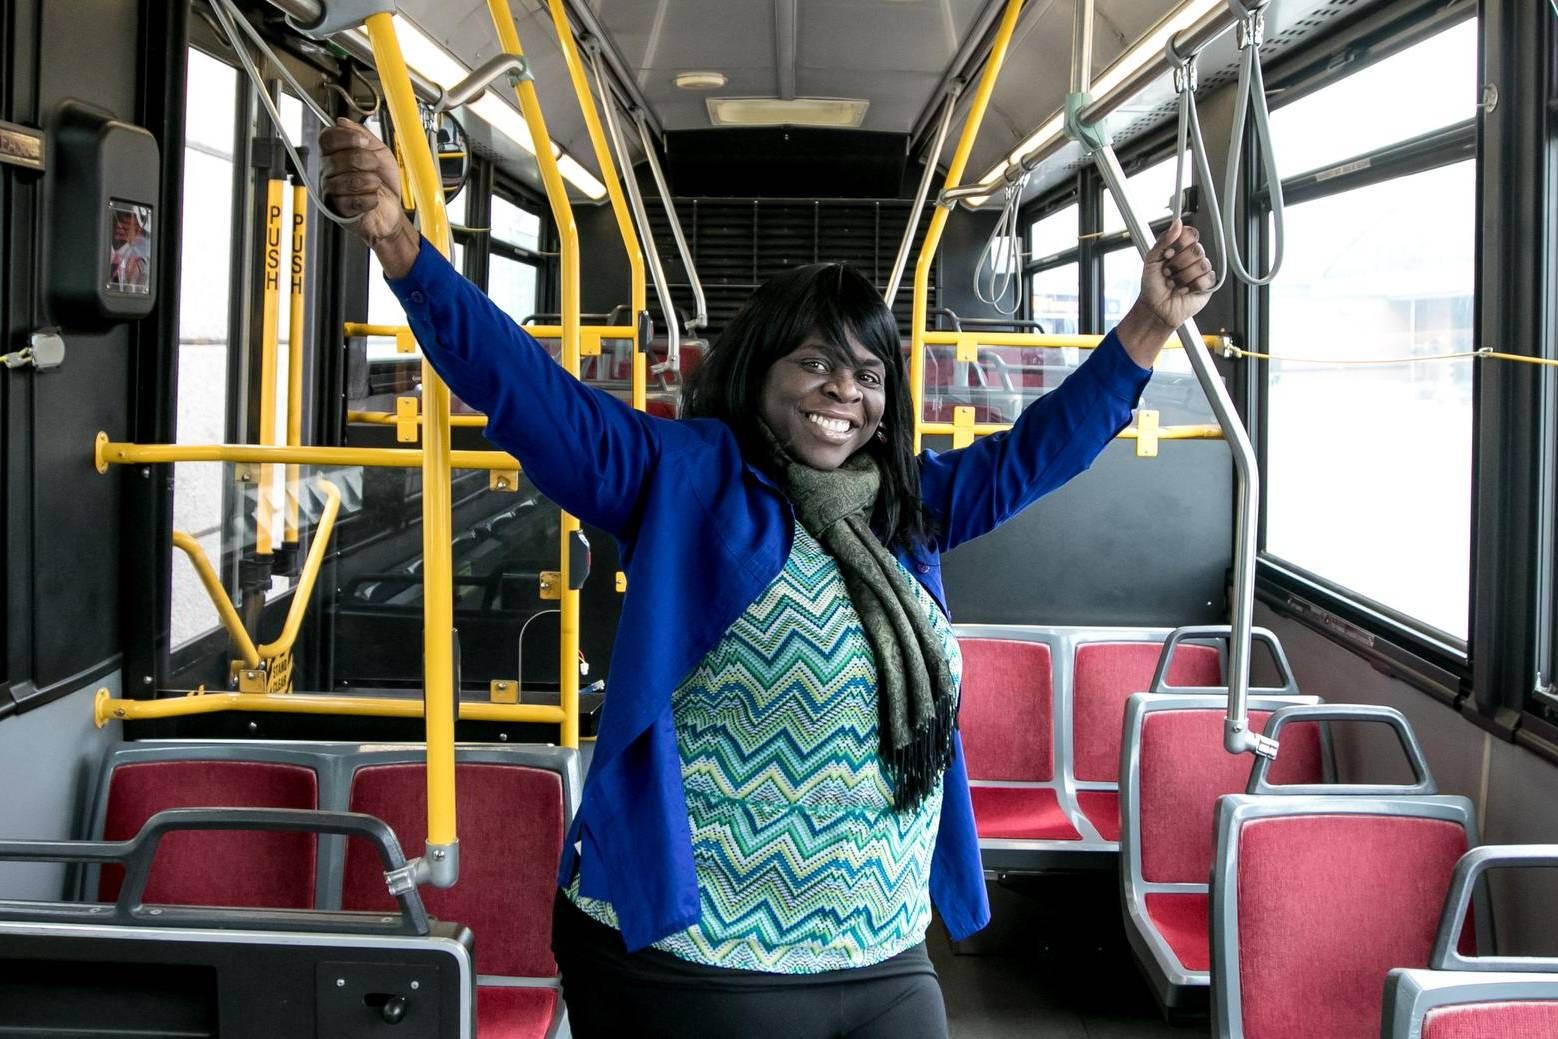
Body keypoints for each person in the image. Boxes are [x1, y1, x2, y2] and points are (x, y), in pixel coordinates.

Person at [321, 117, 1214, 1038]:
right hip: (698, 955)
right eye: (816, 361)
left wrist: (1149, 323)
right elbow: (530, 396)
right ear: (760, 374)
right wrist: (402, 244)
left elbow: (1039, 452)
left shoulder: (902, 508)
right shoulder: (682, 477)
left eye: (867, 373)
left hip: (883, 940)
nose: (843, 389)